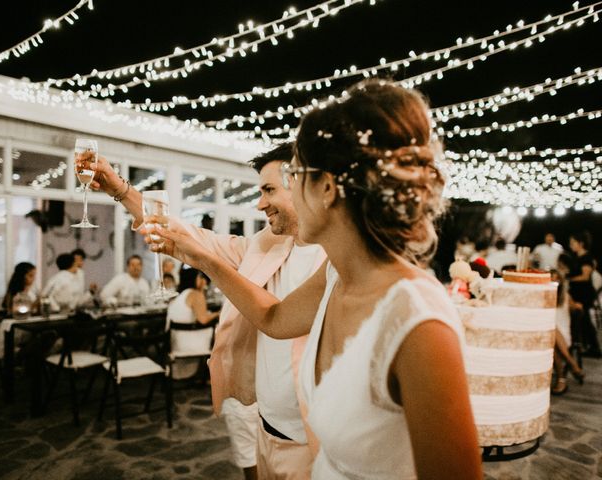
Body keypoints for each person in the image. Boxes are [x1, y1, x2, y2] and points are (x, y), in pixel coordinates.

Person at [149, 80, 481, 478]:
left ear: (326, 188)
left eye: (295, 176)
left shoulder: (418, 318)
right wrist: (202, 258)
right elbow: (273, 318)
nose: (282, 194)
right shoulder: (336, 276)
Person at [78, 142, 326, 479]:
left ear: (305, 184)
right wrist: (118, 188)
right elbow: (188, 234)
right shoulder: (265, 246)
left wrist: (201, 258)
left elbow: (278, 318)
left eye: (269, 190)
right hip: (268, 428)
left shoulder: (338, 259)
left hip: (317, 440)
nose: (260, 203)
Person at [167, 267, 219, 380]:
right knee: (221, 329)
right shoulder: (195, 294)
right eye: (200, 277)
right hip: (191, 344)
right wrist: (219, 313)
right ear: (194, 279)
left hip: (177, 342)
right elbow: (203, 319)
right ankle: (215, 376)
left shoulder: (179, 295)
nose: (203, 280)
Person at [550, 269, 585, 395]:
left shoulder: (566, 296)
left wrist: (578, 308)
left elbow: (577, 310)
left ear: (560, 280)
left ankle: (562, 379)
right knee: (551, 337)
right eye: (551, 277)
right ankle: (572, 364)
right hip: (551, 337)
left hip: (564, 335)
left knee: (551, 332)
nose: (554, 280)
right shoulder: (544, 295)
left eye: (556, 278)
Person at [568, 231, 600, 358]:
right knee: (583, 320)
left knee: (585, 320)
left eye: (573, 243)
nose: (571, 245)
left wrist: (568, 279)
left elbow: (585, 277)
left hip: (584, 294)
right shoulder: (579, 257)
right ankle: (587, 345)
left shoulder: (586, 258)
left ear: (581, 244)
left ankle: (593, 347)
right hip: (578, 292)